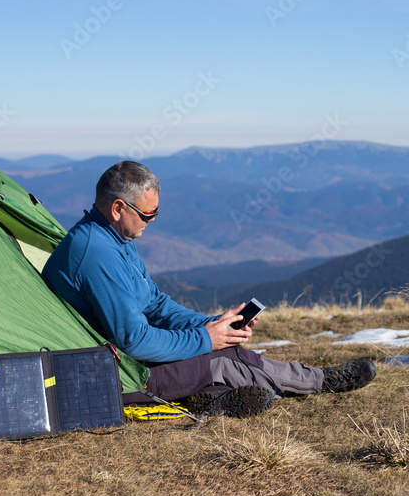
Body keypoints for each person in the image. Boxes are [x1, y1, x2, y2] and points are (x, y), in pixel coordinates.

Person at [41, 160, 375, 418]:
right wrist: (208, 340)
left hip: (124, 359)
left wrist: (209, 323)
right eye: (147, 213)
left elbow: (154, 303)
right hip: (122, 375)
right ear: (118, 209)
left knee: (218, 348)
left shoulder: (114, 237)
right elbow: (135, 340)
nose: (153, 220)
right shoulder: (97, 254)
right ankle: (322, 382)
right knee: (227, 359)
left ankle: (213, 398)